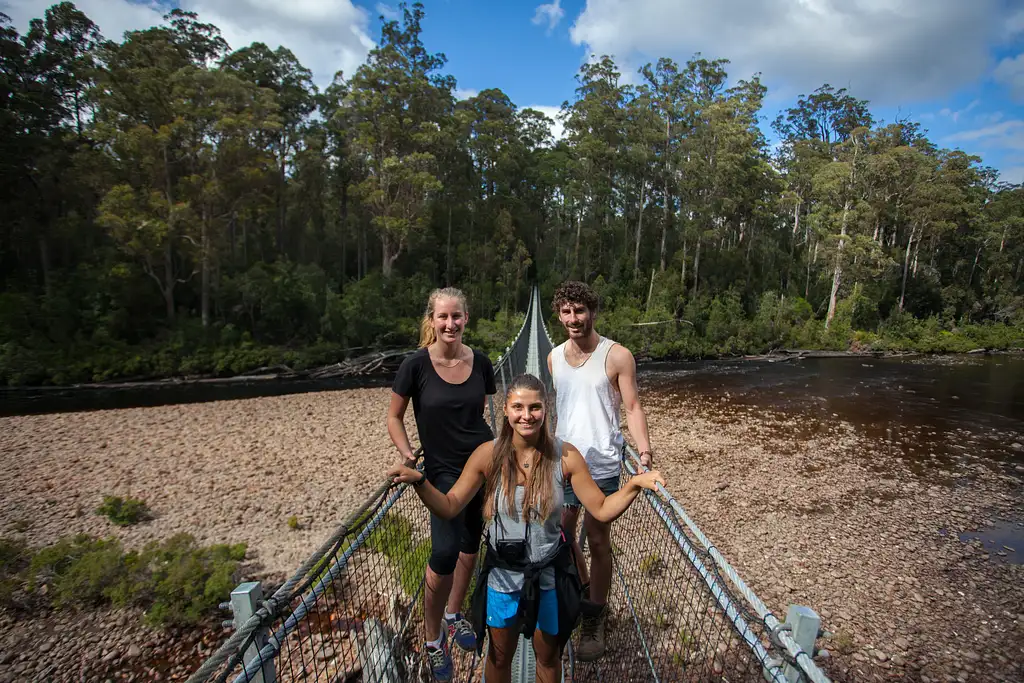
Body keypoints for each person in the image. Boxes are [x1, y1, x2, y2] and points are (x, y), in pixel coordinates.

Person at [388, 374, 665, 683]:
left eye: (534, 407)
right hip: (503, 577)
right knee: (500, 655)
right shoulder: (487, 455)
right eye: (518, 407)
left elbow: (600, 508)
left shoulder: (566, 456)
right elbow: (450, 505)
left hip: (547, 576)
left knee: (547, 656)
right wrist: (422, 483)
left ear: (546, 409)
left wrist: (635, 485)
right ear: (505, 409)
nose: (526, 415)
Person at [387, 287, 496, 681]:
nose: (450, 324)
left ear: (467, 318)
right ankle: (432, 638)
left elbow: (478, 413)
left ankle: (454, 614)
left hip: (482, 465)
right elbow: (395, 417)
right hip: (442, 470)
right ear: (431, 321)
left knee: (470, 542)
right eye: (443, 317)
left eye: (457, 316)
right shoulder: (415, 365)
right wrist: (407, 454)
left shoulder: (481, 362)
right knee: (445, 550)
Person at [546, 280, 655, 662]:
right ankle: (587, 588)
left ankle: (595, 615)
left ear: (593, 312)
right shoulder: (554, 356)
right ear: (558, 315)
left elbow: (633, 405)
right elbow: (563, 407)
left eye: (580, 311)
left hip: (603, 462)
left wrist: (643, 450)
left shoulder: (617, 355)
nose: (574, 319)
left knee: (597, 539)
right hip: (563, 461)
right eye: (566, 312)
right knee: (562, 532)